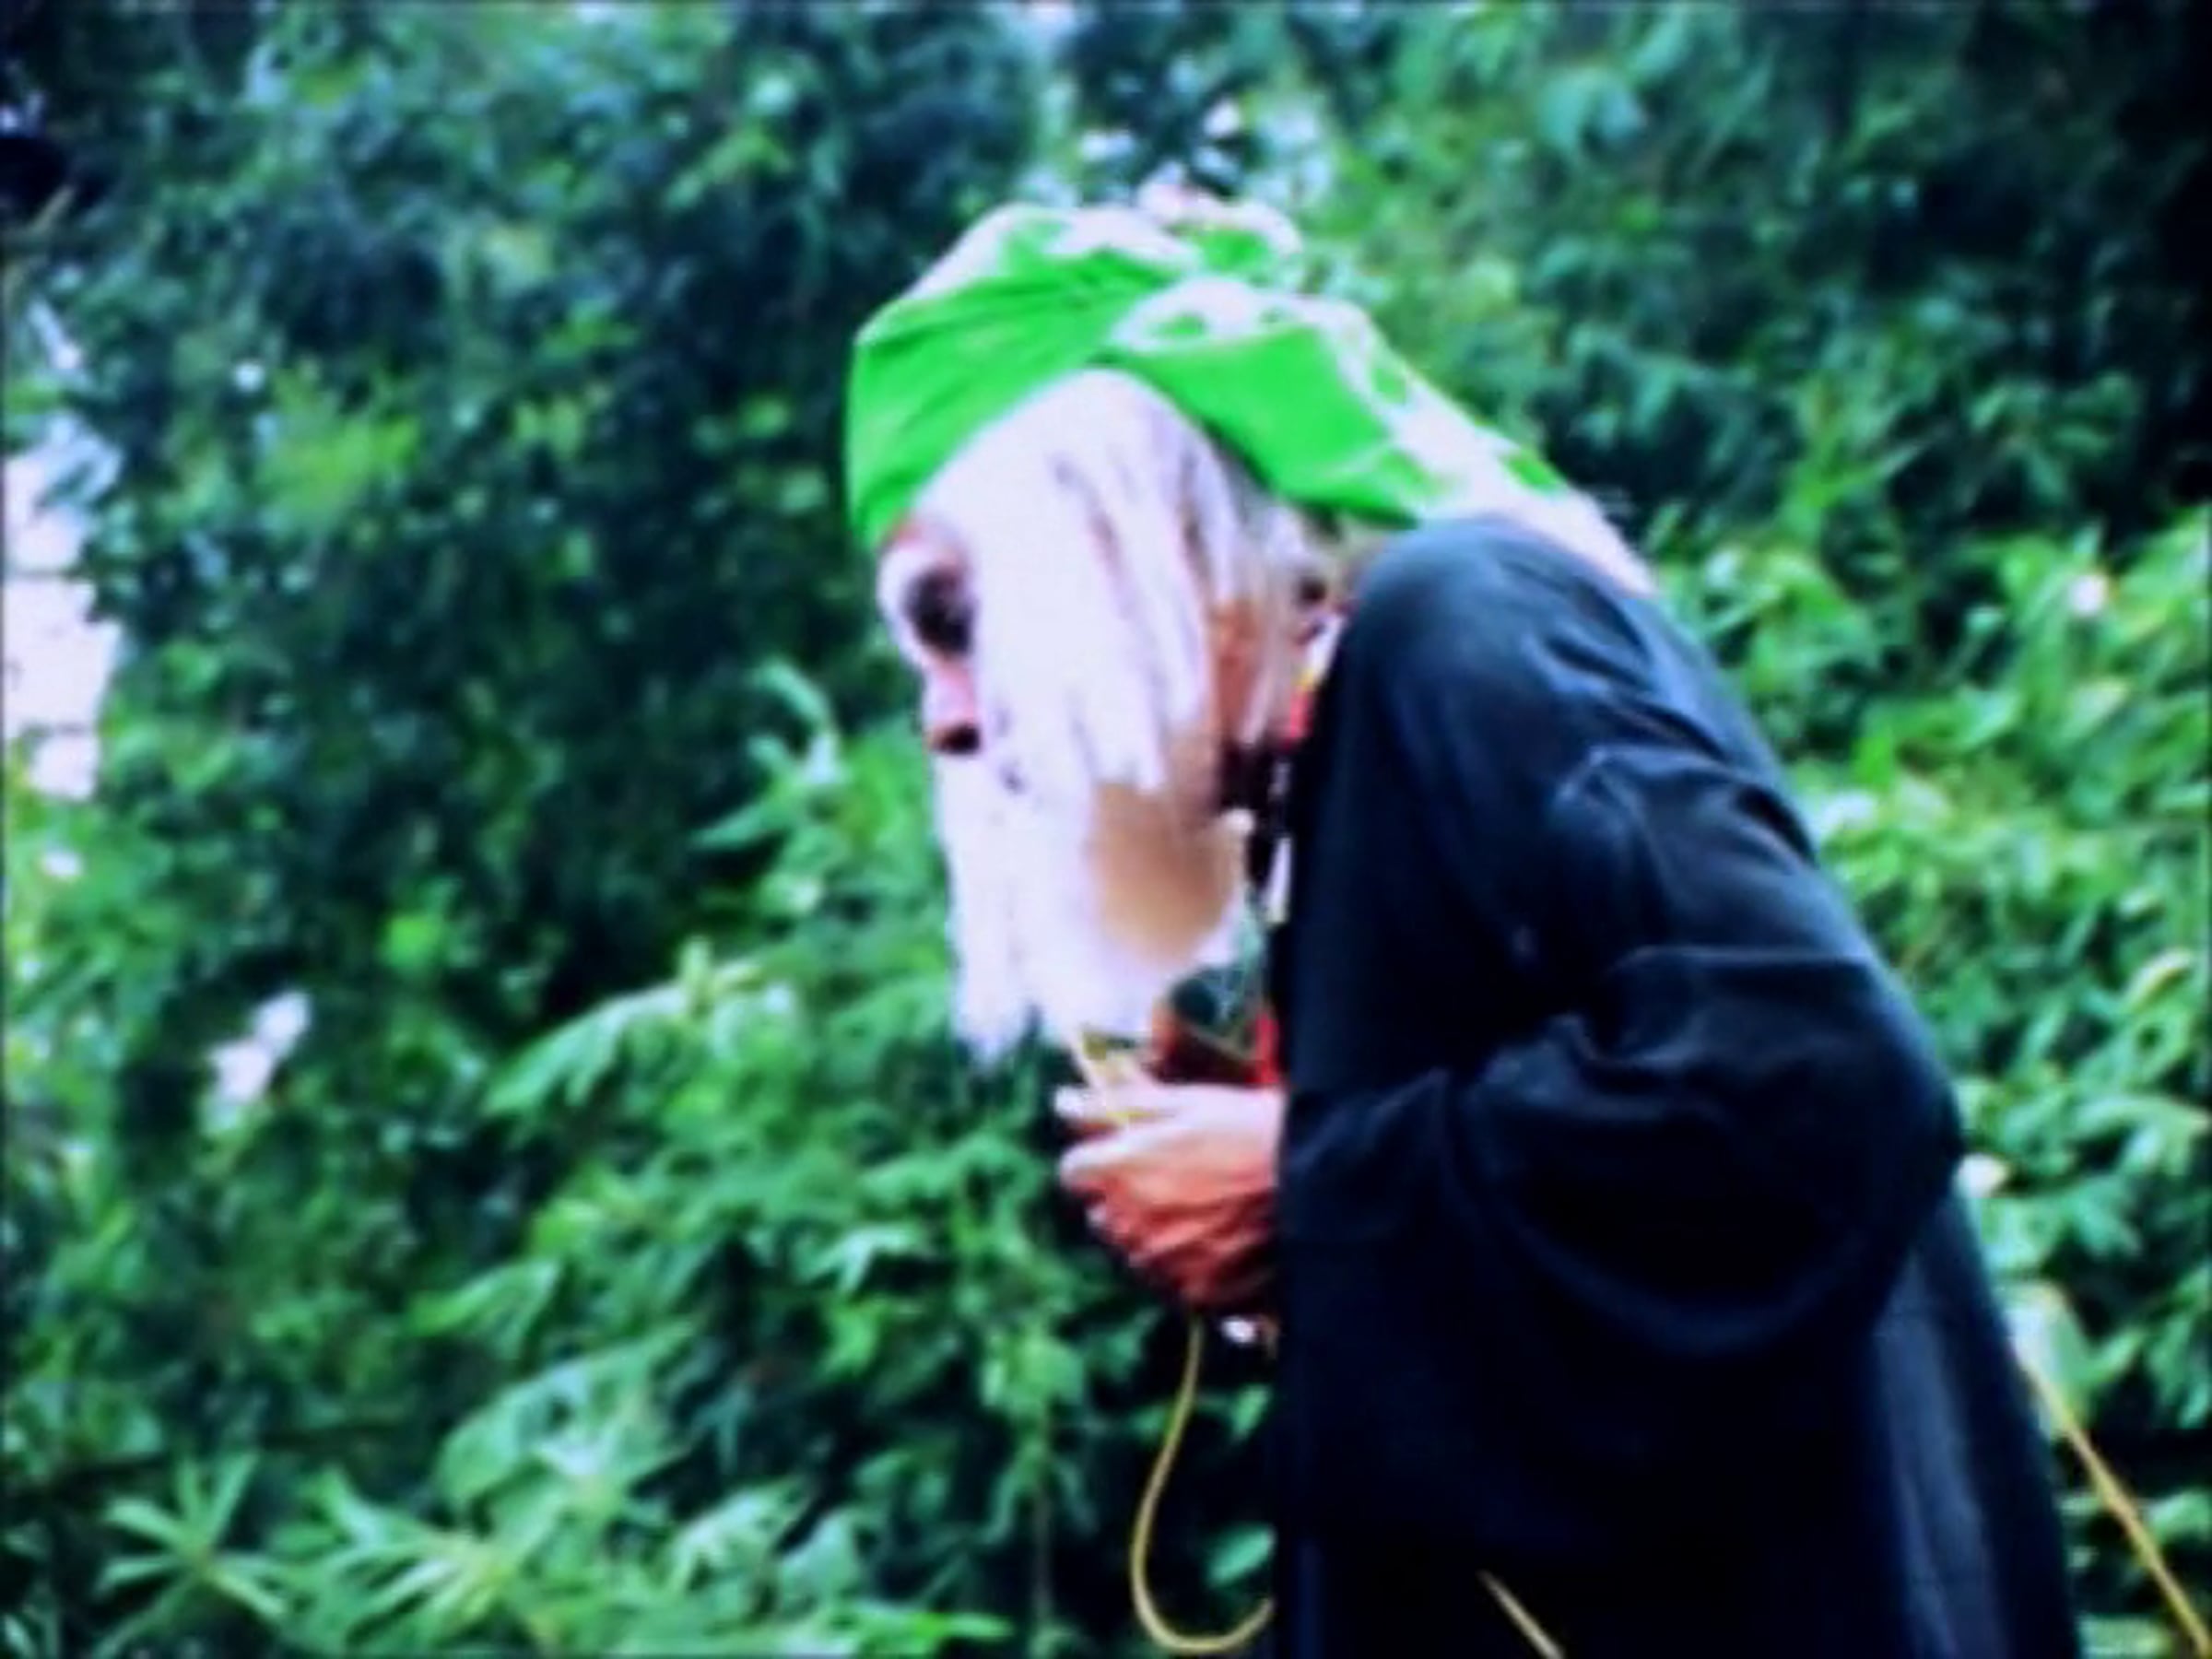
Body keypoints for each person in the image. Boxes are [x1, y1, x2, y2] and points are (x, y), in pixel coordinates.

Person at [840, 194, 2081, 1657]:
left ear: (1132, 530)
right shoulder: (1342, 760)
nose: (944, 719)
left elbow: (1821, 1079)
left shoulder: (1463, 627)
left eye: (955, 622)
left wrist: (1306, 1187)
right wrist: (1310, 1183)